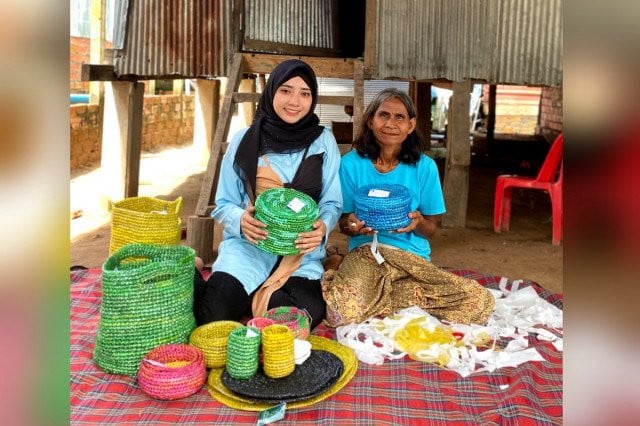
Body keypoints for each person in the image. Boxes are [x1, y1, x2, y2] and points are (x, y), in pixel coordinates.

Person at [322, 88, 494, 327]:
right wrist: (352, 226)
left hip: (410, 257)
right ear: (371, 121)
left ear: (411, 125)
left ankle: (377, 295)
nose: (391, 123)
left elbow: (432, 228)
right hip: (366, 254)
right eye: (383, 115)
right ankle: (335, 265)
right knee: (343, 313)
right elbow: (344, 222)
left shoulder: (425, 167)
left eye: (399, 117)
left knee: (478, 302)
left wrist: (419, 223)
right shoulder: (350, 164)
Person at [193, 59, 342, 329]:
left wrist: (322, 228)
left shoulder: (323, 141)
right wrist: (240, 219)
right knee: (212, 317)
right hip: (250, 248)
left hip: (300, 253)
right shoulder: (245, 139)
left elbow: (332, 202)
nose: (295, 101)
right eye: (286, 90)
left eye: (305, 93)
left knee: (303, 315)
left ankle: (250, 295)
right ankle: (193, 270)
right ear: (272, 91)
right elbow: (223, 203)